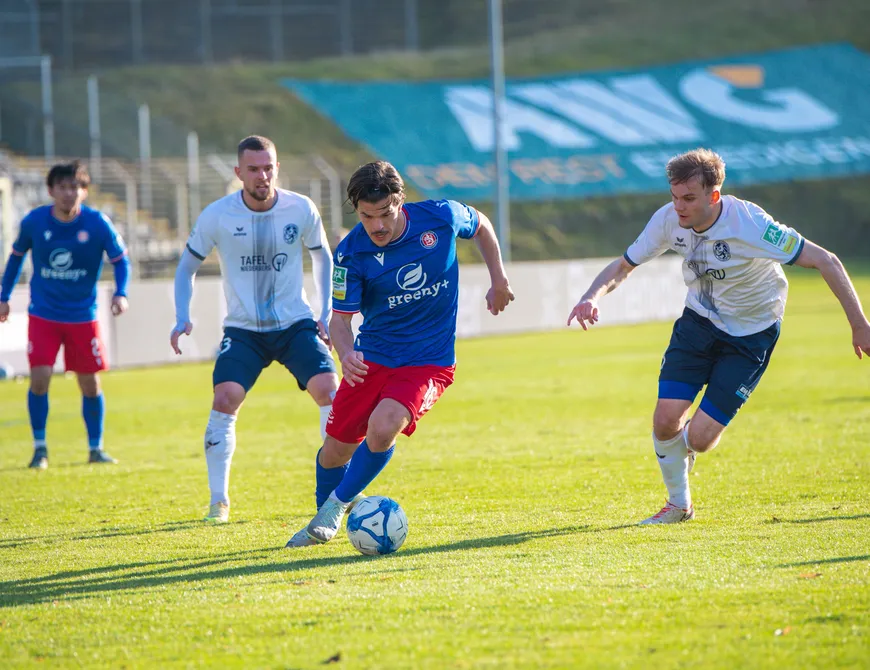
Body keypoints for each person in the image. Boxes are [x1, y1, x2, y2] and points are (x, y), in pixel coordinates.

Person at [567, 148, 870, 524]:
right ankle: (679, 505)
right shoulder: (667, 220)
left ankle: (689, 449)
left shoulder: (750, 224)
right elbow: (624, 265)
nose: (679, 207)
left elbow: (827, 260)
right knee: (664, 420)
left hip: (751, 334)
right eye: (675, 197)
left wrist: (859, 324)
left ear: (714, 196)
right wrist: (590, 296)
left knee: (699, 439)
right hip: (699, 323)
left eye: (689, 198)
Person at [286, 160, 515, 548]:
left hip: (429, 362)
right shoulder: (351, 252)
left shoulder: (440, 217)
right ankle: (322, 513)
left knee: (384, 424)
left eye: (385, 214)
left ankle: (335, 508)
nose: (376, 225)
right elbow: (340, 320)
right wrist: (345, 353)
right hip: (371, 360)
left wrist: (499, 278)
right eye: (366, 216)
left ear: (401, 201)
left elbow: (481, 225)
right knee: (334, 452)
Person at [171, 135, 339, 524]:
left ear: (277, 168)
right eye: (253, 169)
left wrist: (326, 311)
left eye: (269, 167)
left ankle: (337, 491)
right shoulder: (217, 215)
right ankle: (219, 501)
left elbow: (322, 256)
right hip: (244, 330)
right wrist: (183, 315)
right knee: (226, 397)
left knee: (331, 391)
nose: (262, 176)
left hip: (295, 324)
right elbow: (186, 267)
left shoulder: (301, 208)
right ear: (238, 173)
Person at [0, 161, 130, 469]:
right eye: (63, 187)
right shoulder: (34, 222)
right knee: (40, 378)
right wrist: (3, 296)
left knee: (89, 383)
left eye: (75, 187)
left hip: (83, 316)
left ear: (84, 191)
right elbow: (16, 259)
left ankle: (95, 448)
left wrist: (121, 292)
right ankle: (40, 448)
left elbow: (121, 261)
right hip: (44, 314)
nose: (69, 193)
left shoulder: (98, 223)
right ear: (51, 190)